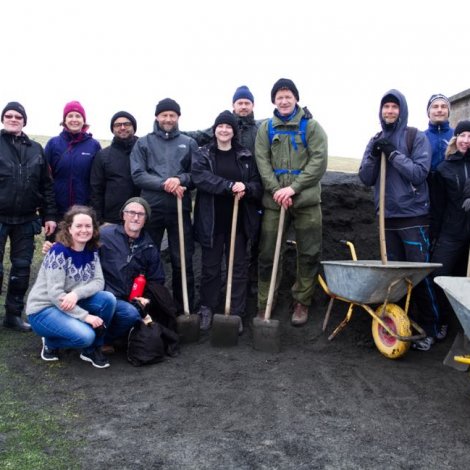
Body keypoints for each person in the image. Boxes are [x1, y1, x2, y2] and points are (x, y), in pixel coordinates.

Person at [358, 89, 440, 351]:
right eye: (386, 107)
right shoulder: (376, 139)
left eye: (394, 107)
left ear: (402, 110)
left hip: (413, 217)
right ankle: (404, 323)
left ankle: (432, 328)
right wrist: (373, 154)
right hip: (387, 219)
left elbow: (418, 173)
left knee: (419, 275)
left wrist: (393, 154)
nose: (389, 111)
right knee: (395, 280)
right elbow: (365, 178)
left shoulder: (415, 137)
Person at [255, 78, 328, 326]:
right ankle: (267, 301)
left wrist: (293, 189)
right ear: (273, 101)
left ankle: (302, 302)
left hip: (306, 201)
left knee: (308, 252)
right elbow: (262, 163)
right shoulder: (265, 129)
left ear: (296, 98)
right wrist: (277, 190)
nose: (284, 101)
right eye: (279, 97)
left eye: (288, 96)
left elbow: (318, 162)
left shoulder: (312, 127)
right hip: (275, 201)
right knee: (267, 254)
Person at [192, 111, 262, 332]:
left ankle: (236, 312)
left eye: (228, 127)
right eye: (220, 126)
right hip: (212, 222)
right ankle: (207, 308)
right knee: (210, 269)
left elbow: (257, 186)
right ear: (214, 130)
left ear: (234, 131)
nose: (224, 130)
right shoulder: (203, 154)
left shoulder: (245, 156)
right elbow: (201, 178)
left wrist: (247, 188)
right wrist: (229, 186)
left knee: (238, 269)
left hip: (238, 223)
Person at [26, 206, 116, 368]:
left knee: (108, 299)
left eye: (88, 226)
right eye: (79, 226)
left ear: (94, 229)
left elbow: (98, 282)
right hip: (44, 308)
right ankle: (51, 342)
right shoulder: (58, 252)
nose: (84, 230)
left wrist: (76, 294)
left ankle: (92, 349)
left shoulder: (91, 250)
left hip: (70, 302)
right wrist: (85, 317)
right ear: (69, 228)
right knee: (85, 336)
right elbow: (55, 295)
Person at [130, 98, 198, 312]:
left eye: (172, 115)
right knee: (148, 258)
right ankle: (149, 306)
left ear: (178, 117)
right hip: (151, 210)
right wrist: (165, 184)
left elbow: (196, 174)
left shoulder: (188, 143)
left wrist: (181, 180)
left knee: (183, 260)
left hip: (180, 209)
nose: (168, 119)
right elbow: (138, 175)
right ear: (157, 117)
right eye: (164, 115)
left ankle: (184, 306)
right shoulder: (143, 143)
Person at [0, 101, 57, 332]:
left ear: (24, 121)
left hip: (26, 219)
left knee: (22, 268)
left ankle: (13, 315)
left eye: (18, 116)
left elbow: (46, 186)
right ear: (3, 119)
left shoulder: (36, 149)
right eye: (9, 115)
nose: (13, 119)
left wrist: (49, 216)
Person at [431, 121, 470, 337]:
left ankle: (465, 326)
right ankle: (443, 321)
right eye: (462, 135)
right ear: (455, 138)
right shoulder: (444, 168)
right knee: (441, 276)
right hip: (451, 233)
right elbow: (438, 205)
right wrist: (435, 234)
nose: (466, 140)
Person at [45, 101, 101, 220]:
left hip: (84, 213)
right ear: (64, 120)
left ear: (83, 120)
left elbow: (98, 180)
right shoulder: (53, 144)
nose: (74, 119)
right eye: (70, 116)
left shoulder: (94, 145)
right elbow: (45, 179)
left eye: (78, 116)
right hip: (58, 213)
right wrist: (49, 213)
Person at [90, 111, 140, 224]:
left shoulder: (144, 151)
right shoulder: (102, 155)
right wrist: (98, 220)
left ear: (134, 127)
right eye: (117, 125)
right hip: (112, 219)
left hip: (141, 218)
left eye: (127, 124)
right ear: (113, 129)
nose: (122, 127)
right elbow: (96, 190)